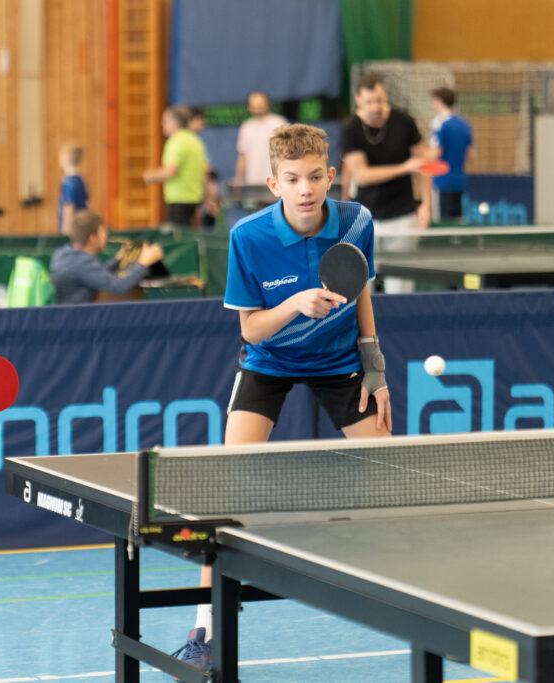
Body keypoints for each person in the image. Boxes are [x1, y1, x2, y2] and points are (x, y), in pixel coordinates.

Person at [172, 123, 392, 672]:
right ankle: (203, 630)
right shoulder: (248, 237)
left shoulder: (357, 222)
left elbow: (361, 288)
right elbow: (250, 330)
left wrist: (375, 367)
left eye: (315, 176)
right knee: (226, 496)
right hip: (268, 363)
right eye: (292, 179)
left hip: (340, 362)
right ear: (273, 184)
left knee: (394, 473)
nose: (305, 189)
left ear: (331, 175)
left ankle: (419, 605)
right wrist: (296, 303)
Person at [340, 72, 430, 293]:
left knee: (400, 288)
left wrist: (426, 204)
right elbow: (361, 175)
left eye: (379, 100)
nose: (375, 107)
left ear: (385, 96)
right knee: (363, 289)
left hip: (402, 217)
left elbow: (422, 165)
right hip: (365, 220)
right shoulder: (350, 128)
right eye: (369, 102)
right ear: (358, 100)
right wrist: (404, 168)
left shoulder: (404, 122)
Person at [49, 209, 163, 304]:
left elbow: (96, 275)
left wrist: (118, 259)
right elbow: (120, 286)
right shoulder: (82, 262)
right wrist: (144, 262)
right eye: (103, 232)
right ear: (93, 238)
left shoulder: (63, 255)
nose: (106, 236)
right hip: (80, 320)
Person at [143, 106, 207, 228]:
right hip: (195, 199)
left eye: (165, 121)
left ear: (175, 123)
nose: (162, 124)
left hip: (179, 199)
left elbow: (170, 171)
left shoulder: (175, 141)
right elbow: (204, 171)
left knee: (179, 237)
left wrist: (150, 176)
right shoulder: (196, 141)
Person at [429, 87, 473, 222]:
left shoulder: (439, 123)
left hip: (442, 182)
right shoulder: (465, 124)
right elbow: (471, 155)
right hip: (459, 181)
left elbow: (435, 153)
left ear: (439, 101)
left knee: (442, 223)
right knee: (456, 222)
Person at [234, 92, 288, 195]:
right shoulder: (246, 127)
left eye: (260, 105)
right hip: (253, 183)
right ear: (250, 107)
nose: (257, 108)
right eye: (254, 106)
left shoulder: (279, 123)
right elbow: (243, 156)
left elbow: (288, 153)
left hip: (276, 181)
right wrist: (238, 181)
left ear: (267, 104)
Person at [57, 142, 88, 235]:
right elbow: (87, 203)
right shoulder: (80, 180)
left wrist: (66, 232)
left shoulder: (68, 183)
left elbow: (69, 206)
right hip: (81, 229)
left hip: (72, 230)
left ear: (65, 159)